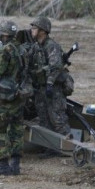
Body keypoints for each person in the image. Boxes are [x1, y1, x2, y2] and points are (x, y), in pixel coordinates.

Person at [0, 21, 26, 175]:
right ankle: (15, 166)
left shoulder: (6, 51)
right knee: (16, 129)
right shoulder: (21, 49)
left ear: (4, 35)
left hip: (5, 96)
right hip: (19, 93)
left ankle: (3, 166)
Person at [28, 16, 71, 159]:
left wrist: (50, 83)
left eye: (34, 28)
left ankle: (68, 148)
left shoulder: (52, 46)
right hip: (40, 88)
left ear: (43, 31)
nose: (32, 30)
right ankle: (51, 147)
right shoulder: (35, 47)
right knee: (44, 119)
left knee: (58, 119)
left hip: (53, 89)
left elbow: (56, 66)